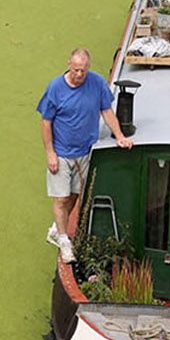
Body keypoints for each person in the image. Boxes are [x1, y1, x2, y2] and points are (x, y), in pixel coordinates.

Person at [37, 48, 134, 263]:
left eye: (83, 70)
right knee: (61, 198)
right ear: (69, 65)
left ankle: (56, 228)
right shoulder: (55, 88)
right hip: (61, 152)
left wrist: (119, 135)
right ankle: (64, 242)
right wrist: (50, 153)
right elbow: (46, 121)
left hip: (84, 151)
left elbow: (106, 110)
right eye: (76, 70)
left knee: (74, 195)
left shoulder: (97, 83)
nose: (80, 74)